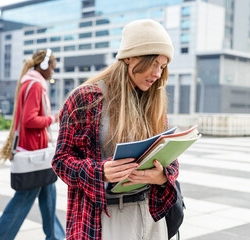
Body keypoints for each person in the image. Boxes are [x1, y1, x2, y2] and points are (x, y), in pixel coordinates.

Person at [52, 19, 179, 240]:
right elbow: (61, 161)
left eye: (163, 66)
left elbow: (172, 161)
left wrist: (162, 176)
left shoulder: (154, 100)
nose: (158, 73)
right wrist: (100, 172)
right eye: (153, 63)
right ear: (128, 57)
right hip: (106, 217)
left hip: (151, 217)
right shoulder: (87, 98)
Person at [0, 49, 65, 240]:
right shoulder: (35, 86)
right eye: (52, 69)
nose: (53, 73)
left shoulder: (30, 83)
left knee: (49, 193)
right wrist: (53, 118)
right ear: (43, 66)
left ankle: (55, 236)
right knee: (25, 197)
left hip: (36, 151)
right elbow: (29, 120)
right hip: (34, 152)